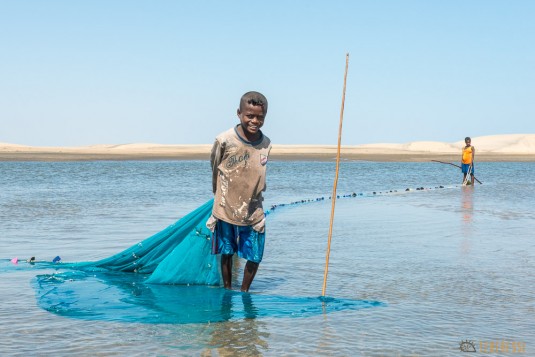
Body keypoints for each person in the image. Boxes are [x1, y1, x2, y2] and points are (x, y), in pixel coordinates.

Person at [207, 91, 272, 292]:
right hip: (226, 207)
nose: (254, 121)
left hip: (253, 209)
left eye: (259, 117)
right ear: (239, 113)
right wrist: (218, 196)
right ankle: (227, 290)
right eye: (249, 116)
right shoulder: (225, 140)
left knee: (255, 255)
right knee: (227, 252)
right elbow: (214, 167)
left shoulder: (266, 143)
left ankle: (244, 292)